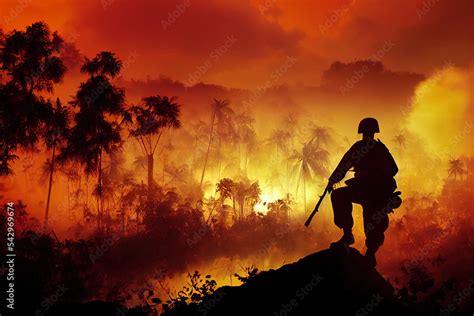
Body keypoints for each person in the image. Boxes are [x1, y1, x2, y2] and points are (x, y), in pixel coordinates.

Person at [327, 118, 398, 267]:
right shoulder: (362, 148)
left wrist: (377, 174)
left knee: (373, 221)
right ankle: (347, 234)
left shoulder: (379, 149)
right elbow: (344, 166)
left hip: (375, 192)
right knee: (339, 195)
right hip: (361, 188)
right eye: (367, 132)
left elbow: (393, 169)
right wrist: (332, 181)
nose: (367, 135)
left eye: (368, 132)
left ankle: (370, 253)